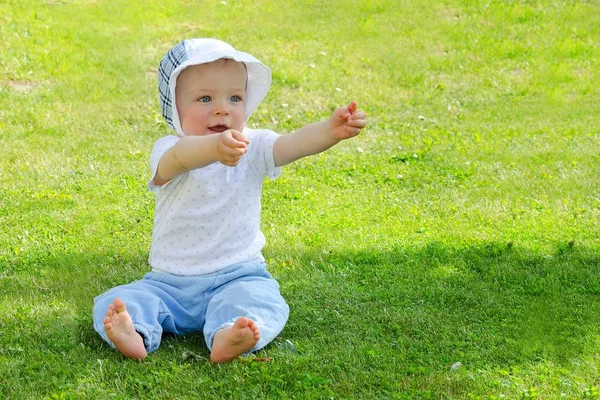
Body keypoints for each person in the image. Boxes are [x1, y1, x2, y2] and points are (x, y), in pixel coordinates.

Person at [92, 38, 367, 363]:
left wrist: (329, 131)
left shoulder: (254, 144)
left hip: (238, 275)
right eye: (205, 98)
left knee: (259, 299)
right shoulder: (168, 148)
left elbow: (292, 144)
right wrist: (214, 148)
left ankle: (229, 334)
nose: (222, 108)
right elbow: (181, 159)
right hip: (169, 284)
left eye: (234, 97)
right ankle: (133, 330)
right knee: (120, 299)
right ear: (174, 107)